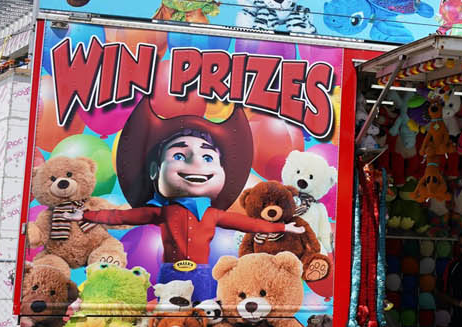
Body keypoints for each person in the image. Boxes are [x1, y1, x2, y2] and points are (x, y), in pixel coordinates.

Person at [78, 93, 301, 304]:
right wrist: (91, 216)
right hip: (170, 273)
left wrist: (282, 227)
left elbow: (248, 223)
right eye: (178, 155)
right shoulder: (161, 212)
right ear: (155, 170)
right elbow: (123, 216)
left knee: (201, 316)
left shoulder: (212, 214)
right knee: (168, 316)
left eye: (208, 157)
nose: (196, 162)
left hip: (201, 274)